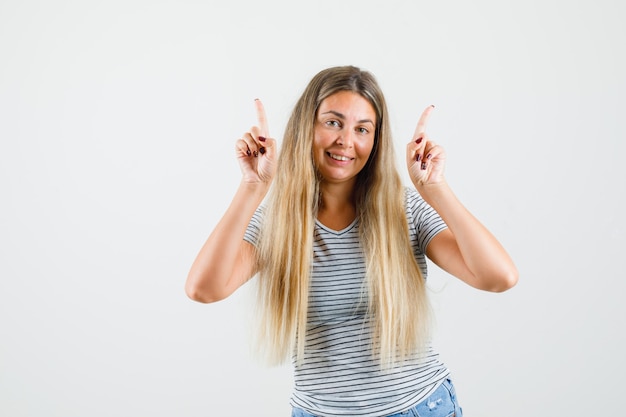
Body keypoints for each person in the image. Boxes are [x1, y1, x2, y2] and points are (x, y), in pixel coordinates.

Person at [185, 65, 518, 417]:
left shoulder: (402, 208)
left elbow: (498, 277)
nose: (346, 140)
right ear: (305, 127)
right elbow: (204, 289)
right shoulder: (278, 223)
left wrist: (436, 190)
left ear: (375, 141)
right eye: (332, 122)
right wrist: (252, 188)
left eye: (363, 129)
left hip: (418, 407)